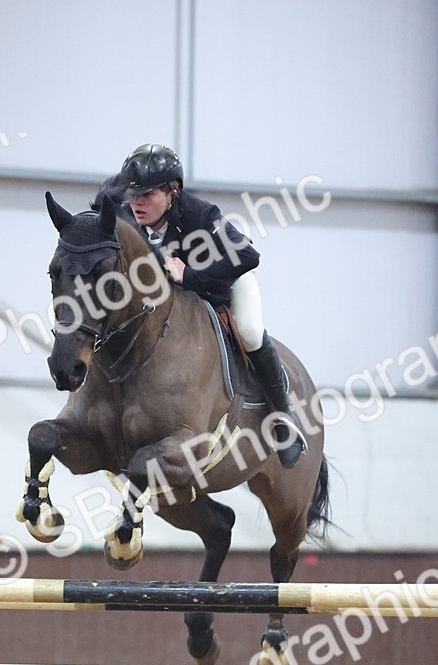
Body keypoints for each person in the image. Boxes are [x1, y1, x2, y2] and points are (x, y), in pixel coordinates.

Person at [113, 144, 306, 469]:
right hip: (176, 298)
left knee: (249, 330)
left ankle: (284, 416)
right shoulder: (127, 217)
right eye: (133, 194)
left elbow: (248, 256)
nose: (137, 203)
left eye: (146, 194)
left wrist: (189, 275)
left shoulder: (200, 214)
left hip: (225, 284)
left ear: (172, 191)